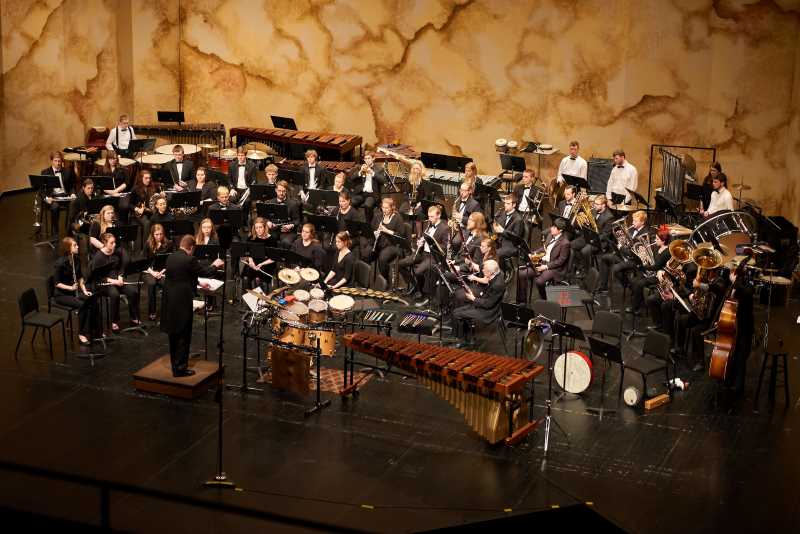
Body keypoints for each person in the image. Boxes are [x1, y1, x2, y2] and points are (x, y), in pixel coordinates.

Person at [161, 235, 225, 377]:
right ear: (191, 247)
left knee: (174, 335)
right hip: (182, 301)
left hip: (170, 301)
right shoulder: (190, 259)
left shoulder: (171, 257)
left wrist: (199, 283)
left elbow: (183, 275)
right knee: (184, 334)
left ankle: (175, 365)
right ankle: (180, 369)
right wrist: (216, 264)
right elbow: (205, 272)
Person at [399, 204, 448, 305]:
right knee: (401, 264)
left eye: (432, 217)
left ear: (438, 216)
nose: (429, 219)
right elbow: (424, 237)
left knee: (418, 271)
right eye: (428, 216)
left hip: (433, 256)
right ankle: (416, 287)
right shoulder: (429, 224)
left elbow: (445, 247)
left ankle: (425, 295)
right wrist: (420, 242)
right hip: (422, 253)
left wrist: (432, 243)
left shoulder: (445, 228)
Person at [90, 232, 140, 332]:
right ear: (105, 243)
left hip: (117, 279)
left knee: (133, 292)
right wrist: (113, 281)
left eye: (114, 242)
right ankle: (114, 321)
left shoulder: (116, 252)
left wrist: (120, 276)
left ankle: (133, 317)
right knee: (115, 294)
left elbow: (121, 266)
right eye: (111, 243)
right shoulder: (98, 257)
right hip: (104, 283)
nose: (114, 245)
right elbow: (97, 277)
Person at [452, 259, 505, 347]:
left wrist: (473, 298)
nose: (482, 271)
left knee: (457, 314)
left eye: (485, 270)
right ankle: (467, 337)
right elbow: (488, 295)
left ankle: (462, 340)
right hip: (485, 303)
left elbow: (488, 304)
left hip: (489, 312)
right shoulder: (498, 274)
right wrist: (476, 295)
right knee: (457, 311)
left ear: (491, 273)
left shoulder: (497, 285)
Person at [53, 237, 96, 345]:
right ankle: (81, 333)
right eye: (75, 245)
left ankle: (94, 329)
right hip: (61, 295)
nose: (77, 247)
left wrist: (84, 290)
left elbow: (80, 277)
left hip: (73, 292)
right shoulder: (60, 263)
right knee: (83, 305)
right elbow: (57, 283)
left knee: (92, 299)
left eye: (77, 245)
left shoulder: (76, 259)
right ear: (68, 248)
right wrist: (71, 288)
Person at [517, 218, 571, 301]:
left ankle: (544, 299)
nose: (551, 228)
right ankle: (522, 301)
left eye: (554, 227)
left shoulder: (565, 243)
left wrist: (546, 267)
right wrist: (533, 254)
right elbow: (544, 248)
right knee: (522, 274)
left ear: (560, 230)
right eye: (552, 226)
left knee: (539, 281)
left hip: (554, 268)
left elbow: (560, 261)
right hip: (542, 262)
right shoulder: (550, 235)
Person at [599, 210, 649, 291]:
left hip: (634, 260)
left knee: (615, 269)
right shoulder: (632, 229)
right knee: (604, 258)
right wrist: (620, 242)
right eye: (633, 220)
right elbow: (626, 243)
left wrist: (621, 247)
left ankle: (628, 284)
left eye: (635, 221)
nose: (633, 223)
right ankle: (603, 286)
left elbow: (634, 253)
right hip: (624, 255)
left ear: (642, 222)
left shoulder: (645, 234)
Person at [627, 225, 671, 314]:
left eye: (657, 239)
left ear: (663, 241)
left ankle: (636, 308)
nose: (655, 240)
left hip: (659, 276)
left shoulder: (666, 252)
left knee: (639, 284)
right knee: (634, 280)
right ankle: (639, 301)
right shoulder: (658, 247)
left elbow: (656, 267)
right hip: (653, 271)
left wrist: (643, 266)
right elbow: (653, 260)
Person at [570, 195, 615, 273]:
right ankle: (581, 266)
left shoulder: (609, 217)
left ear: (603, 205)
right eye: (594, 203)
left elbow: (606, 234)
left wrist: (594, 237)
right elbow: (589, 224)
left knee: (585, 251)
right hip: (589, 236)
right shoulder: (593, 210)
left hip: (599, 241)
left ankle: (588, 272)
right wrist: (586, 223)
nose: (594, 206)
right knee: (571, 245)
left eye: (597, 204)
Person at [142, 223, 175, 321]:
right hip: (150, 271)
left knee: (167, 284)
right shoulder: (148, 244)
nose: (159, 236)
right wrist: (153, 273)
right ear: (152, 234)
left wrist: (161, 272)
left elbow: (170, 261)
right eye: (156, 234)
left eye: (161, 234)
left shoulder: (168, 243)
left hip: (163, 271)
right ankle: (152, 311)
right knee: (151, 284)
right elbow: (143, 263)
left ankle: (167, 309)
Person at [370, 197, 406, 281]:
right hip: (380, 242)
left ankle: (385, 280)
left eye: (387, 208)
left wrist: (387, 231)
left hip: (393, 245)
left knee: (382, 258)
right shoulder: (378, 216)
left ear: (392, 207)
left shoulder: (397, 218)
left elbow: (401, 236)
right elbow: (371, 229)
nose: (384, 210)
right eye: (383, 207)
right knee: (367, 252)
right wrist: (375, 233)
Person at [41, 151, 76, 237]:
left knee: (74, 204)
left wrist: (72, 194)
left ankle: (70, 229)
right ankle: (55, 230)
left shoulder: (67, 171)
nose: (58, 163)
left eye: (59, 161)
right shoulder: (45, 172)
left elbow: (72, 186)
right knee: (55, 207)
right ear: (51, 161)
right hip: (53, 198)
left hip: (65, 196)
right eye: (56, 161)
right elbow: (42, 190)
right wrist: (46, 198)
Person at [241, 217, 278, 291]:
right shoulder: (251, 238)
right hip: (253, 263)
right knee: (245, 278)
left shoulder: (272, 240)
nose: (258, 230)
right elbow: (248, 253)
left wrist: (261, 264)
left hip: (266, 264)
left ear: (265, 227)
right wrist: (251, 261)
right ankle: (249, 297)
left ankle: (262, 299)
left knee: (261, 281)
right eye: (256, 228)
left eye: (260, 227)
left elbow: (274, 258)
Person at [351, 150, 386, 221]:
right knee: (352, 202)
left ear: (373, 158)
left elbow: (383, 181)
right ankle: (354, 220)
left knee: (368, 205)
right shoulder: (360, 167)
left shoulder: (379, 169)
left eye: (369, 158)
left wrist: (373, 173)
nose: (367, 160)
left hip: (372, 195)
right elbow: (352, 178)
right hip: (362, 193)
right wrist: (360, 172)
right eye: (365, 159)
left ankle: (368, 224)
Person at [492, 193, 524, 264]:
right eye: (505, 203)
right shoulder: (502, 214)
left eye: (508, 203)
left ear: (514, 205)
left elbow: (516, 237)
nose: (505, 205)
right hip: (500, 242)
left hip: (511, 246)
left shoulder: (518, 219)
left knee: (494, 254)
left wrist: (503, 231)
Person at [267, 180, 301, 248]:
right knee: (268, 240)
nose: (281, 193)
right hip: (274, 230)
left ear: (286, 191)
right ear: (276, 190)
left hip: (288, 231)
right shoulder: (269, 202)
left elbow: (297, 220)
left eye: (283, 191)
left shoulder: (293, 204)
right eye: (279, 190)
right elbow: (265, 218)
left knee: (286, 242)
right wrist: (268, 222)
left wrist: (291, 225)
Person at [101, 151, 132, 222]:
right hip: (108, 193)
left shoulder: (123, 169)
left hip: (121, 193)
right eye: (111, 159)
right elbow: (102, 186)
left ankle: (122, 224)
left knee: (123, 207)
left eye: (115, 159)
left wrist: (116, 191)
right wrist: (112, 193)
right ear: (107, 159)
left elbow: (126, 183)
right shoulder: (103, 170)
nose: (113, 160)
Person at [129, 170, 158, 237]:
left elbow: (155, 200)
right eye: (146, 178)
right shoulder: (135, 188)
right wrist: (137, 209)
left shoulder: (153, 188)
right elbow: (129, 204)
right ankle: (147, 244)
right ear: (141, 178)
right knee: (147, 223)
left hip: (150, 211)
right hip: (140, 213)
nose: (148, 180)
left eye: (149, 178)